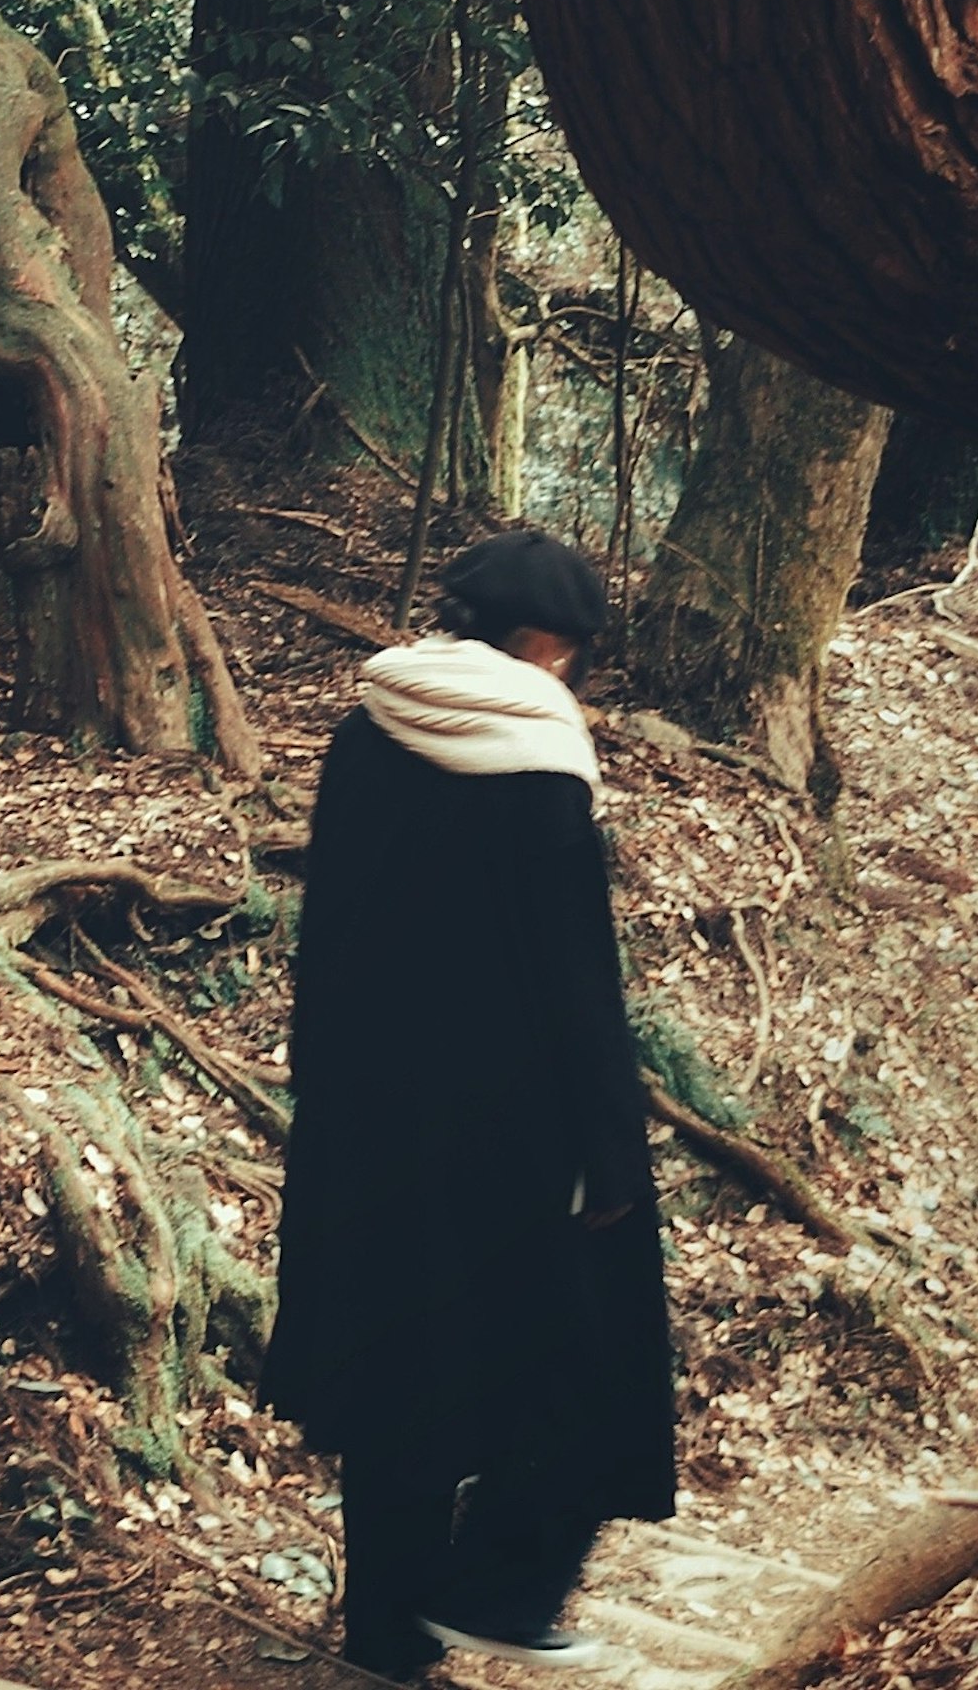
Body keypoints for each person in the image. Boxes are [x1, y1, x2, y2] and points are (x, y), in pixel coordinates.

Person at [267, 528, 678, 1678]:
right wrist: (610, 1149)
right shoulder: (538, 749)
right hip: (517, 1131)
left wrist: (326, 1092)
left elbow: (333, 921)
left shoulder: (370, 722)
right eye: (578, 647)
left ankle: (387, 1636)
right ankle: (500, 1588)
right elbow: (574, 975)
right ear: (548, 640)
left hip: (369, 1117)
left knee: (402, 1358)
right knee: (588, 1356)